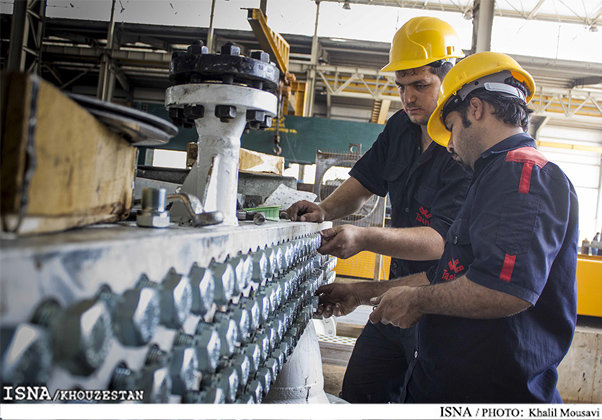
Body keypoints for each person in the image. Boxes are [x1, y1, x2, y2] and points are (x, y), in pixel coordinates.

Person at [369, 51, 579, 402]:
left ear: (476, 109)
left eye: (450, 127)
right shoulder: (494, 177)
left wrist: (418, 301)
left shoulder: (522, 173)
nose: (449, 145)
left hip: (490, 396)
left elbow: (504, 289)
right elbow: (459, 272)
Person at [286, 17, 471, 403]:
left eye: (421, 85)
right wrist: (322, 210)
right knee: (360, 388)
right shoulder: (399, 128)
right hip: (393, 296)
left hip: (438, 307)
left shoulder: (462, 148)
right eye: (402, 86)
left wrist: (363, 237)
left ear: (449, 78)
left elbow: (438, 243)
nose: (408, 97)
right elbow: (363, 184)